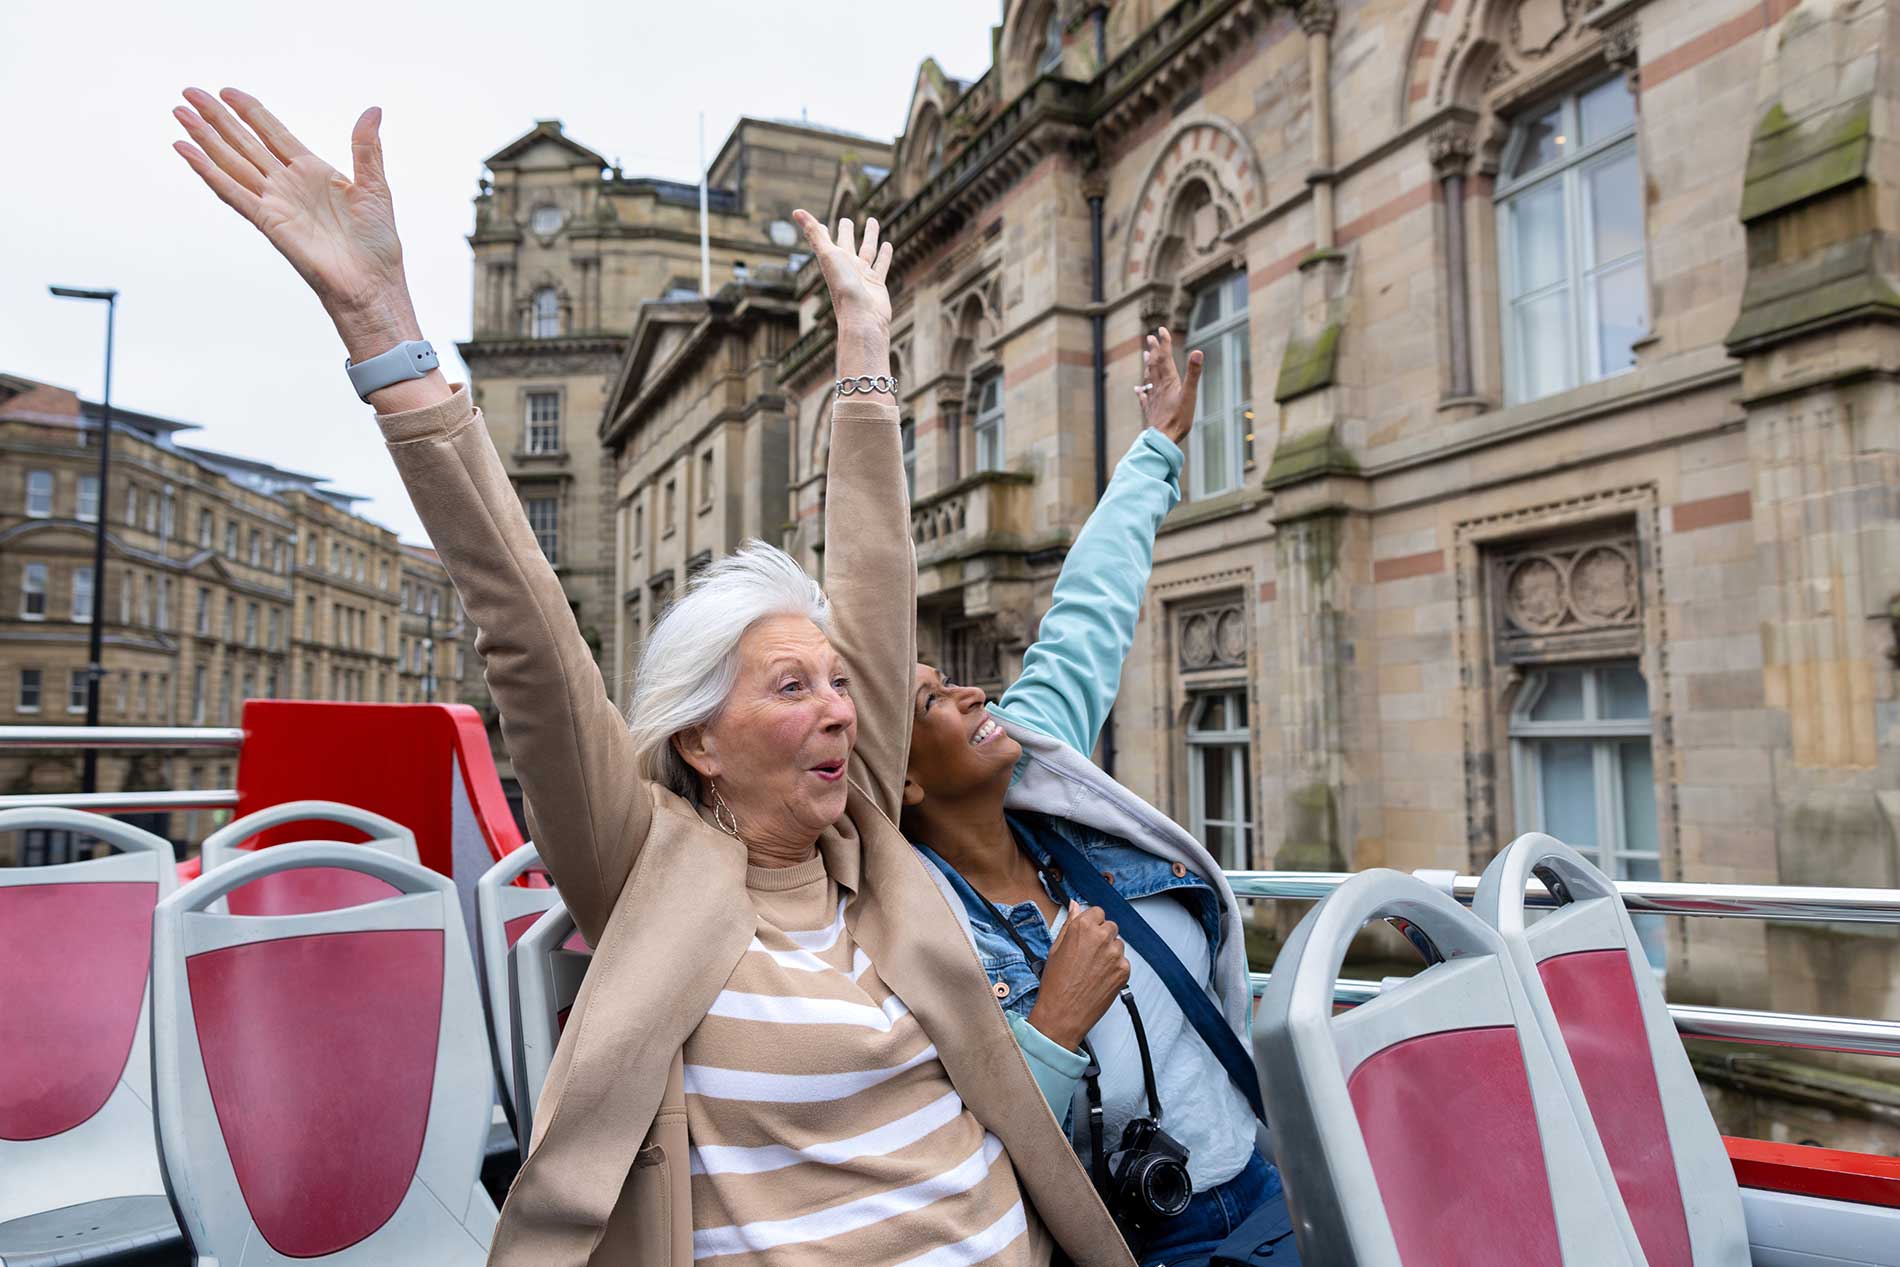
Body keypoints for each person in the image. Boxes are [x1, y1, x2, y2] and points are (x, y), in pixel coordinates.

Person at [170, 87, 1137, 1267]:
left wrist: (867, 349)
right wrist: (385, 329)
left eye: (838, 686)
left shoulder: (867, 844)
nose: (840, 706)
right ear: (699, 739)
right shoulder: (641, 866)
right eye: (790, 688)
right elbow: (527, 631)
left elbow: (877, 589)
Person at [900, 331, 1299, 1266]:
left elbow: (1086, 613)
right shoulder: (911, 925)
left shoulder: (1038, 775)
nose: (970, 691)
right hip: (1135, 1244)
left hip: (1263, 1186)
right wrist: (1054, 1026)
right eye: (931, 700)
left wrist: (1158, 448)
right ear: (902, 780)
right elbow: (961, 1170)